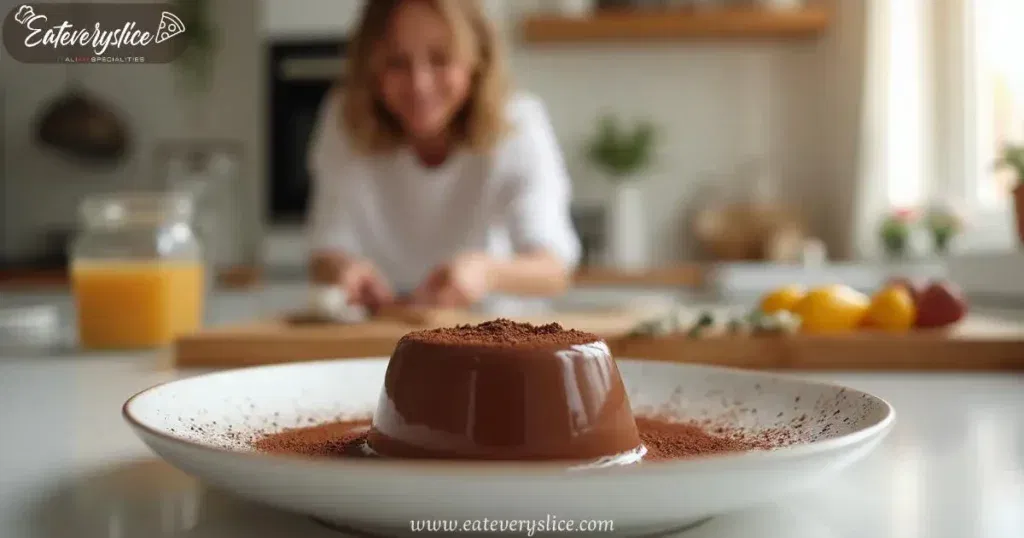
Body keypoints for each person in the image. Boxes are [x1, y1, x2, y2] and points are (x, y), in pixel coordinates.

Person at [306, 0, 581, 310]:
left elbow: (554, 267)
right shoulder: (345, 120)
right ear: (371, 65)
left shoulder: (518, 123)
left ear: (477, 58)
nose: (419, 84)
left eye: (440, 59)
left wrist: (486, 273)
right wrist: (347, 272)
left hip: (494, 331)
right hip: (383, 331)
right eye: (396, 62)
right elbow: (326, 249)